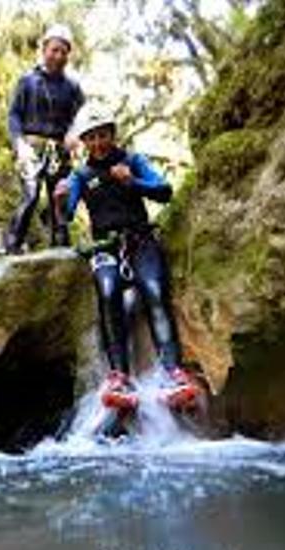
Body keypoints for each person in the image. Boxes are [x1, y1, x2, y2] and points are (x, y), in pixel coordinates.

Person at [56, 104, 206, 420]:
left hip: (140, 241)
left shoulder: (132, 161)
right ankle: (120, 377)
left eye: (103, 135)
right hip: (106, 248)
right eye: (92, 137)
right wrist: (60, 199)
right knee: (109, 293)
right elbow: (67, 215)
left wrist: (132, 183)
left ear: (113, 134)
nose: (99, 142)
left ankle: (173, 373)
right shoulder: (81, 174)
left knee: (153, 290)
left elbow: (164, 191)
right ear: (84, 141)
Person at [2, 23, 85, 254]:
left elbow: (83, 116)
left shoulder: (73, 86)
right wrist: (18, 143)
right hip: (32, 147)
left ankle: (62, 250)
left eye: (64, 51)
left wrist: (74, 134)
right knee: (29, 196)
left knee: (60, 199)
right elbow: (14, 115)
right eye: (54, 50)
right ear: (44, 49)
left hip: (60, 150)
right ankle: (11, 246)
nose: (58, 56)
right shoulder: (28, 80)